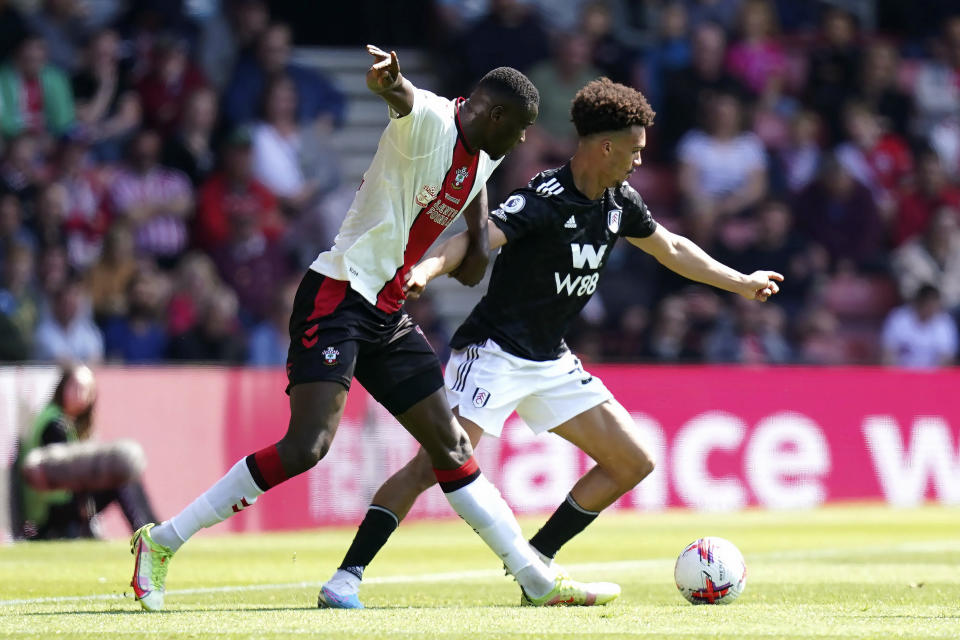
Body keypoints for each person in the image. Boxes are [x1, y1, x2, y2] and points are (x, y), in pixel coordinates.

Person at [130, 45, 617, 613]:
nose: (526, 142)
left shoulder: (485, 148)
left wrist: (477, 241)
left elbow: (475, 220)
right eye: (523, 129)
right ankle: (160, 542)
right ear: (494, 116)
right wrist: (389, 84)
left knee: (451, 446)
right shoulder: (430, 120)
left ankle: (534, 578)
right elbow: (405, 102)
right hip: (338, 295)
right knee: (308, 446)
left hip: (386, 311)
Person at [320, 77, 783, 608]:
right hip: (492, 354)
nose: (638, 162)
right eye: (634, 150)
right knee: (432, 465)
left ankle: (535, 565)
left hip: (550, 359)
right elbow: (478, 237)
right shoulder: (545, 197)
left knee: (631, 463)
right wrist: (426, 269)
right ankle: (347, 576)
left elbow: (672, 248)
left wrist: (740, 281)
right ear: (604, 146)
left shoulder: (619, 202)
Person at [15, 365, 156, 539]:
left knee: (126, 472)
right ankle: (149, 534)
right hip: (50, 511)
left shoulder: (60, 420)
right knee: (121, 475)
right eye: (75, 387)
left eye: (86, 390)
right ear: (62, 387)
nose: (81, 394)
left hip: (59, 504)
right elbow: (59, 476)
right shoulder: (54, 424)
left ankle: (150, 529)